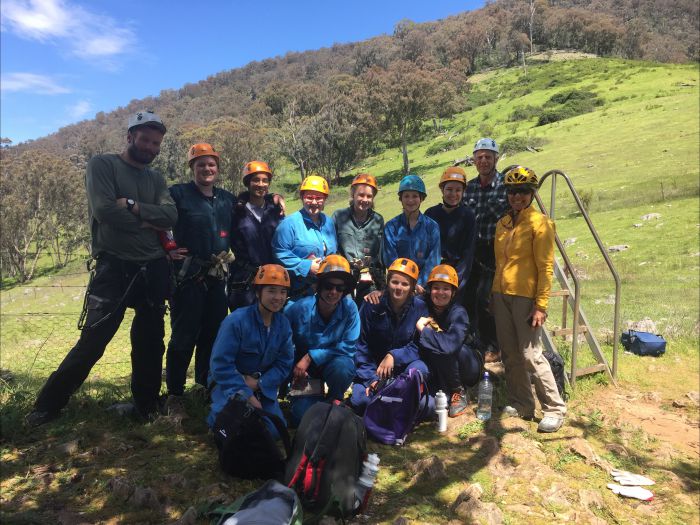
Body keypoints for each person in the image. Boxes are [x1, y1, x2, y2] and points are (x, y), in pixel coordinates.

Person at [27, 110, 177, 426]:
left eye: (156, 143)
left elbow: (170, 217)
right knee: (94, 341)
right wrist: (149, 222)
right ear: (129, 137)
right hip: (114, 268)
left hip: (153, 268)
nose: (150, 147)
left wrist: (135, 207)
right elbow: (106, 211)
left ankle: (146, 406)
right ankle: (46, 407)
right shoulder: (103, 165)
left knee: (151, 342)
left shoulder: (156, 178)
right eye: (145, 140)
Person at [491, 166, 566, 433]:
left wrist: (541, 305)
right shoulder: (503, 223)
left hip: (526, 297)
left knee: (531, 354)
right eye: (512, 191)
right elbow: (501, 263)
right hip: (501, 295)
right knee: (510, 354)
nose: (517, 197)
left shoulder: (540, 223)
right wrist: (494, 294)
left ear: (532, 194)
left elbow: (546, 267)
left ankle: (555, 409)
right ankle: (522, 403)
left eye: (522, 191)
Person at [164, 143, 235, 409]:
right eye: (200, 164)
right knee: (184, 334)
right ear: (192, 168)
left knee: (213, 334)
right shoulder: (178, 194)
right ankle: (175, 393)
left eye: (211, 164)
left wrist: (276, 200)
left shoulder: (227, 199)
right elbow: (160, 221)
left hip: (217, 277)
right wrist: (167, 249)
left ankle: (205, 386)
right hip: (188, 276)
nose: (207, 168)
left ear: (217, 168)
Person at [208, 264, 294, 437]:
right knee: (233, 428)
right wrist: (246, 393)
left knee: (274, 431)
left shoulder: (283, 325)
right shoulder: (236, 321)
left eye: (282, 292)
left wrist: (259, 384)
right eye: (271, 291)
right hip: (230, 385)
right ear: (257, 292)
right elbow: (220, 365)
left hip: (262, 387)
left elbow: (284, 363)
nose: (278, 297)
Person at [284, 255, 360, 425]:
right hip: (305, 371)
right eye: (328, 286)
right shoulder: (298, 309)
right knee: (303, 416)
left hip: (333, 364)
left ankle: (335, 399)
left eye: (339, 288)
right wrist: (294, 370)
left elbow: (348, 347)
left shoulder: (350, 308)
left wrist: (310, 356)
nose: (333, 292)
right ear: (318, 285)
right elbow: (283, 344)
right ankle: (306, 399)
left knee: (343, 366)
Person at [351, 258, 431, 415]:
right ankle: (397, 403)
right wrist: (371, 379)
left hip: (403, 371)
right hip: (375, 371)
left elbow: (419, 345)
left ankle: (398, 398)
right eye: (395, 282)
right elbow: (360, 345)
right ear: (387, 282)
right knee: (360, 402)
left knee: (421, 373)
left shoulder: (420, 308)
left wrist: (394, 356)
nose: (399, 288)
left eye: (405, 284)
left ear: (413, 287)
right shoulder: (372, 305)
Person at [463, 138, 508, 363]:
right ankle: (475, 342)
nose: (483, 161)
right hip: (473, 250)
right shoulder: (468, 187)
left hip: (496, 250)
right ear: (474, 160)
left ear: (496, 159)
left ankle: (494, 345)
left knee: (486, 299)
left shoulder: (505, 186)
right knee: (468, 295)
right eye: (479, 157)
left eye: (488, 157)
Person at [416, 265, 482, 418]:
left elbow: (449, 346)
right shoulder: (423, 304)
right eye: (436, 287)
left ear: (453, 293)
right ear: (430, 289)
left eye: (446, 288)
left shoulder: (459, 313)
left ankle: (458, 391)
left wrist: (423, 330)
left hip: (468, 363)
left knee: (443, 347)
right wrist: (379, 293)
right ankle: (444, 389)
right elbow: (403, 300)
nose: (440, 292)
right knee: (436, 347)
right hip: (442, 366)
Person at [272, 175, 337, 303]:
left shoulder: (329, 223)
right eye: (309, 197)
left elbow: (332, 252)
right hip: (298, 295)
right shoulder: (289, 224)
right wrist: (307, 266)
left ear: (325, 199)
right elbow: (279, 254)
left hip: (325, 292)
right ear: (302, 197)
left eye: (319, 198)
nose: (314, 202)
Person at [228, 161, 284, 310]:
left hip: (272, 277)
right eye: (256, 180)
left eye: (265, 180)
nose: (261, 184)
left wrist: (277, 196)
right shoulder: (236, 211)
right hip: (245, 279)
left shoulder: (275, 209)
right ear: (247, 182)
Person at [424, 167, 477, 305]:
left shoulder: (468, 216)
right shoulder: (431, 214)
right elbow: (425, 249)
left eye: (458, 190)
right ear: (442, 190)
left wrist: (456, 282)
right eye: (449, 189)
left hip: (456, 277)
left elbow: (468, 254)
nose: (453, 194)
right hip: (433, 275)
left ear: (463, 192)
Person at [332, 173, 385, 305]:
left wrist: (382, 286)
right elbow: (333, 248)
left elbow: (380, 256)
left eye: (369, 196)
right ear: (353, 195)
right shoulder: (339, 217)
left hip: (369, 279)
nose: (364, 199)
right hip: (344, 278)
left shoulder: (378, 220)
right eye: (361, 195)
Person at [382, 174, 441, 295]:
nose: (410, 200)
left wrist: (418, 284)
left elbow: (433, 260)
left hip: (422, 288)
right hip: (399, 287)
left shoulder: (432, 227)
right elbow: (390, 259)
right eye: (406, 196)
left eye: (415, 196)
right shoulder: (391, 227)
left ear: (421, 198)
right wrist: (406, 284)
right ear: (400, 198)